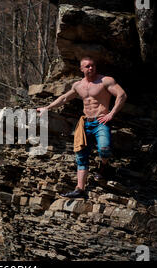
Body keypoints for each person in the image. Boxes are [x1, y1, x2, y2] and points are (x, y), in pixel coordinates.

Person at [37, 56, 127, 198]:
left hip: (101, 121)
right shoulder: (78, 85)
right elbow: (64, 98)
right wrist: (47, 108)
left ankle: (104, 166)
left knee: (104, 148)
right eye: (87, 66)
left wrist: (111, 114)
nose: (91, 68)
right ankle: (80, 189)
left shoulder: (105, 81)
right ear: (81, 69)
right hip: (85, 123)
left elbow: (121, 95)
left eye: (92, 65)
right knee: (81, 156)